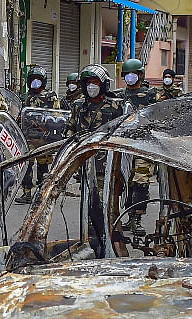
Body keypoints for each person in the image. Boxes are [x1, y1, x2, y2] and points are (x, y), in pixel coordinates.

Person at [68, 64, 126, 258]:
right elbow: (69, 130)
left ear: (103, 85)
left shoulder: (116, 106)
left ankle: (111, 245)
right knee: (88, 206)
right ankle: (93, 243)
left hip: (108, 167)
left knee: (106, 209)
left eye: (95, 83)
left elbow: (124, 135)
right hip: (85, 166)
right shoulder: (78, 106)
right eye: (88, 83)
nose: (91, 86)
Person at [112, 59, 162, 235]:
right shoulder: (118, 96)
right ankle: (128, 216)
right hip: (124, 146)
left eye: (132, 74)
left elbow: (159, 117)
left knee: (141, 183)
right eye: (126, 75)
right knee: (126, 183)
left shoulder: (151, 95)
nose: (129, 77)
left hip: (144, 145)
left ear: (140, 75)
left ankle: (137, 218)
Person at [16, 64, 59, 204]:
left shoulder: (51, 97)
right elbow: (17, 115)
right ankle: (26, 193)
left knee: (43, 167)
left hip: (44, 138)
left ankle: (43, 192)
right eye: (33, 79)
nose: (35, 82)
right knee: (26, 166)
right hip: (26, 138)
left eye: (38, 79)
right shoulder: (23, 98)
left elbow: (56, 117)